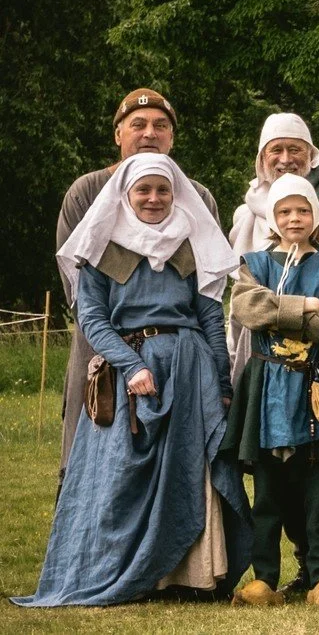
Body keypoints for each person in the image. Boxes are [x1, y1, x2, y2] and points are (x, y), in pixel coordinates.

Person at [16, 154, 250, 607]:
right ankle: (125, 574)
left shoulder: (192, 243)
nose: (153, 198)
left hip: (189, 370)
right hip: (130, 372)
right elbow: (92, 318)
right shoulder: (100, 247)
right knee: (122, 475)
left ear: (176, 194)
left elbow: (209, 317)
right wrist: (130, 365)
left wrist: (221, 385)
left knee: (189, 471)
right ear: (125, 195)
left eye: (163, 190)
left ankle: (191, 577)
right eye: (143, 189)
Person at [226, 112, 319, 596]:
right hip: (268, 382)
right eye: (276, 149)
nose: (286, 157)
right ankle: (268, 577)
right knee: (271, 487)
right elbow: (246, 307)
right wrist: (303, 307)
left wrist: (281, 315)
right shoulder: (252, 247)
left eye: (295, 148)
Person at [55, 88, 219, 465]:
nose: (149, 133)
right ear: (118, 134)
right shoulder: (86, 192)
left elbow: (208, 289)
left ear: (172, 137)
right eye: (138, 124)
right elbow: (79, 291)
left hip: (179, 358)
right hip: (102, 347)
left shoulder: (198, 198)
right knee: (95, 461)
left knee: (178, 464)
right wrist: (124, 354)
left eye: (160, 126)